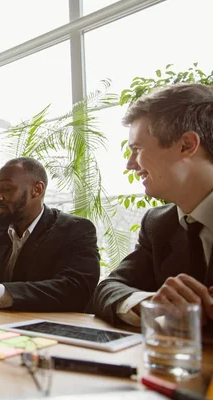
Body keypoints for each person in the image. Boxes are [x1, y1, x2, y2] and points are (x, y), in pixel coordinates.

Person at [90, 83, 213, 326]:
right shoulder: (158, 224)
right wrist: (151, 304)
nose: (130, 165)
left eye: (136, 149)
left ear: (186, 145)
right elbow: (107, 289)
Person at [0, 157, 100, 312]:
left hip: (51, 329)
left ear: (37, 189)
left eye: (7, 189)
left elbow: (77, 289)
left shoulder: (75, 230)